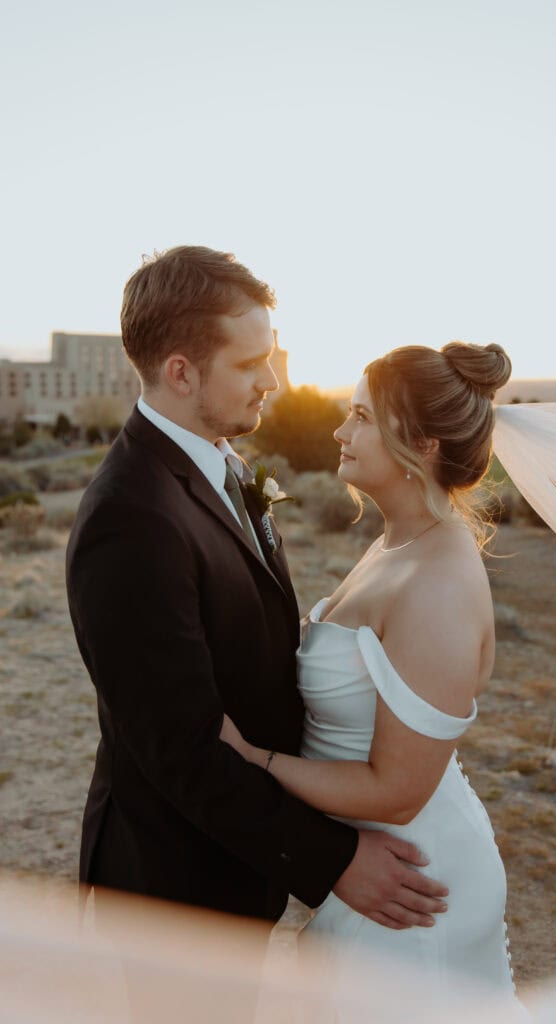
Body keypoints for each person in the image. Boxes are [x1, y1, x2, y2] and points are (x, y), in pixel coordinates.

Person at [65, 246, 448, 1021]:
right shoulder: (128, 519)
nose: (271, 380)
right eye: (250, 364)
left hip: (233, 854)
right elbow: (181, 746)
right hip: (174, 887)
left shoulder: (218, 463)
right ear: (180, 372)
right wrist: (334, 861)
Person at [219, 340, 518, 1012]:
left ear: (424, 444)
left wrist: (254, 759)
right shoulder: (395, 542)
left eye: (359, 416)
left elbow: (397, 791)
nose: (338, 430)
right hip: (371, 863)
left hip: (414, 881)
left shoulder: (438, 578)